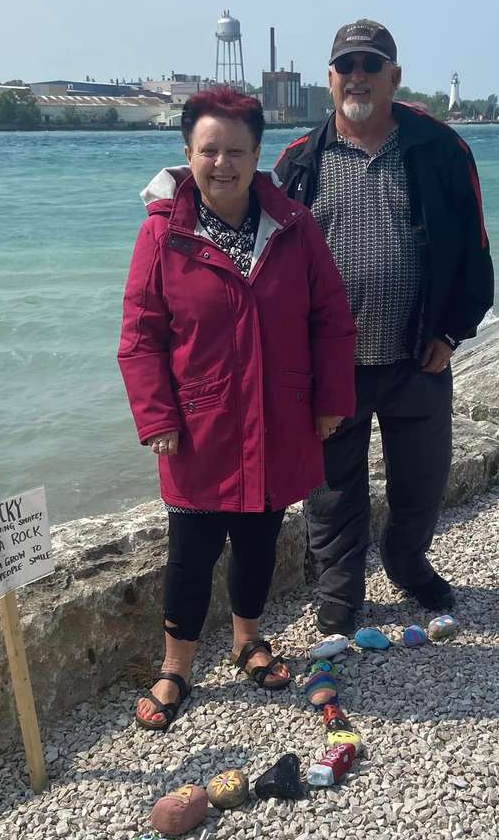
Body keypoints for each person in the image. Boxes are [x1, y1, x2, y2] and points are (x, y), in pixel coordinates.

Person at [118, 88, 356, 730]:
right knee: (191, 547)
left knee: (258, 535)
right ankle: (177, 666)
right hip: (199, 424)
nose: (222, 163)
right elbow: (141, 337)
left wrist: (333, 400)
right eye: (209, 150)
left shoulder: (296, 227)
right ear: (186, 152)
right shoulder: (161, 234)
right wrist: (157, 416)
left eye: (236, 150)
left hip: (280, 416)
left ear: (258, 154)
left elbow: (331, 320)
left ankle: (247, 639)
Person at [273, 19, 494, 635]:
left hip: (417, 353)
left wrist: (451, 334)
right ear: (328, 80)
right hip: (330, 366)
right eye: (346, 65)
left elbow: (474, 254)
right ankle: (339, 594)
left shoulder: (442, 151)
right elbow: (260, 258)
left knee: (420, 481)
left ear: (395, 76)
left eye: (372, 64)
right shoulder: (297, 164)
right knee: (332, 490)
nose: (358, 76)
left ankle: (406, 562)